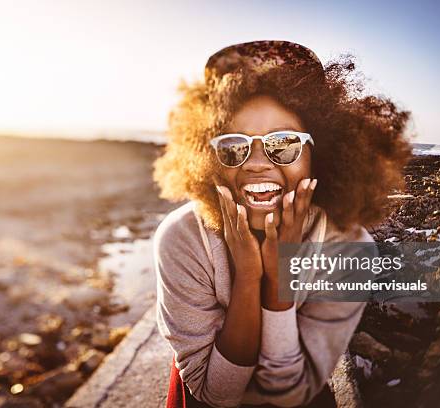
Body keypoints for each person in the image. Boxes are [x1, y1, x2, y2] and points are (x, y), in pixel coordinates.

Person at [153, 40, 411, 408]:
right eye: (233, 146)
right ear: (208, 158)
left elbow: (289, 392)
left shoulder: (349, 248)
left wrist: (279, 281)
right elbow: (216, 394)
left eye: (284, 143)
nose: (257, 162)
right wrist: (246, 279)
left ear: (319, 154)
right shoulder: (183, 239)